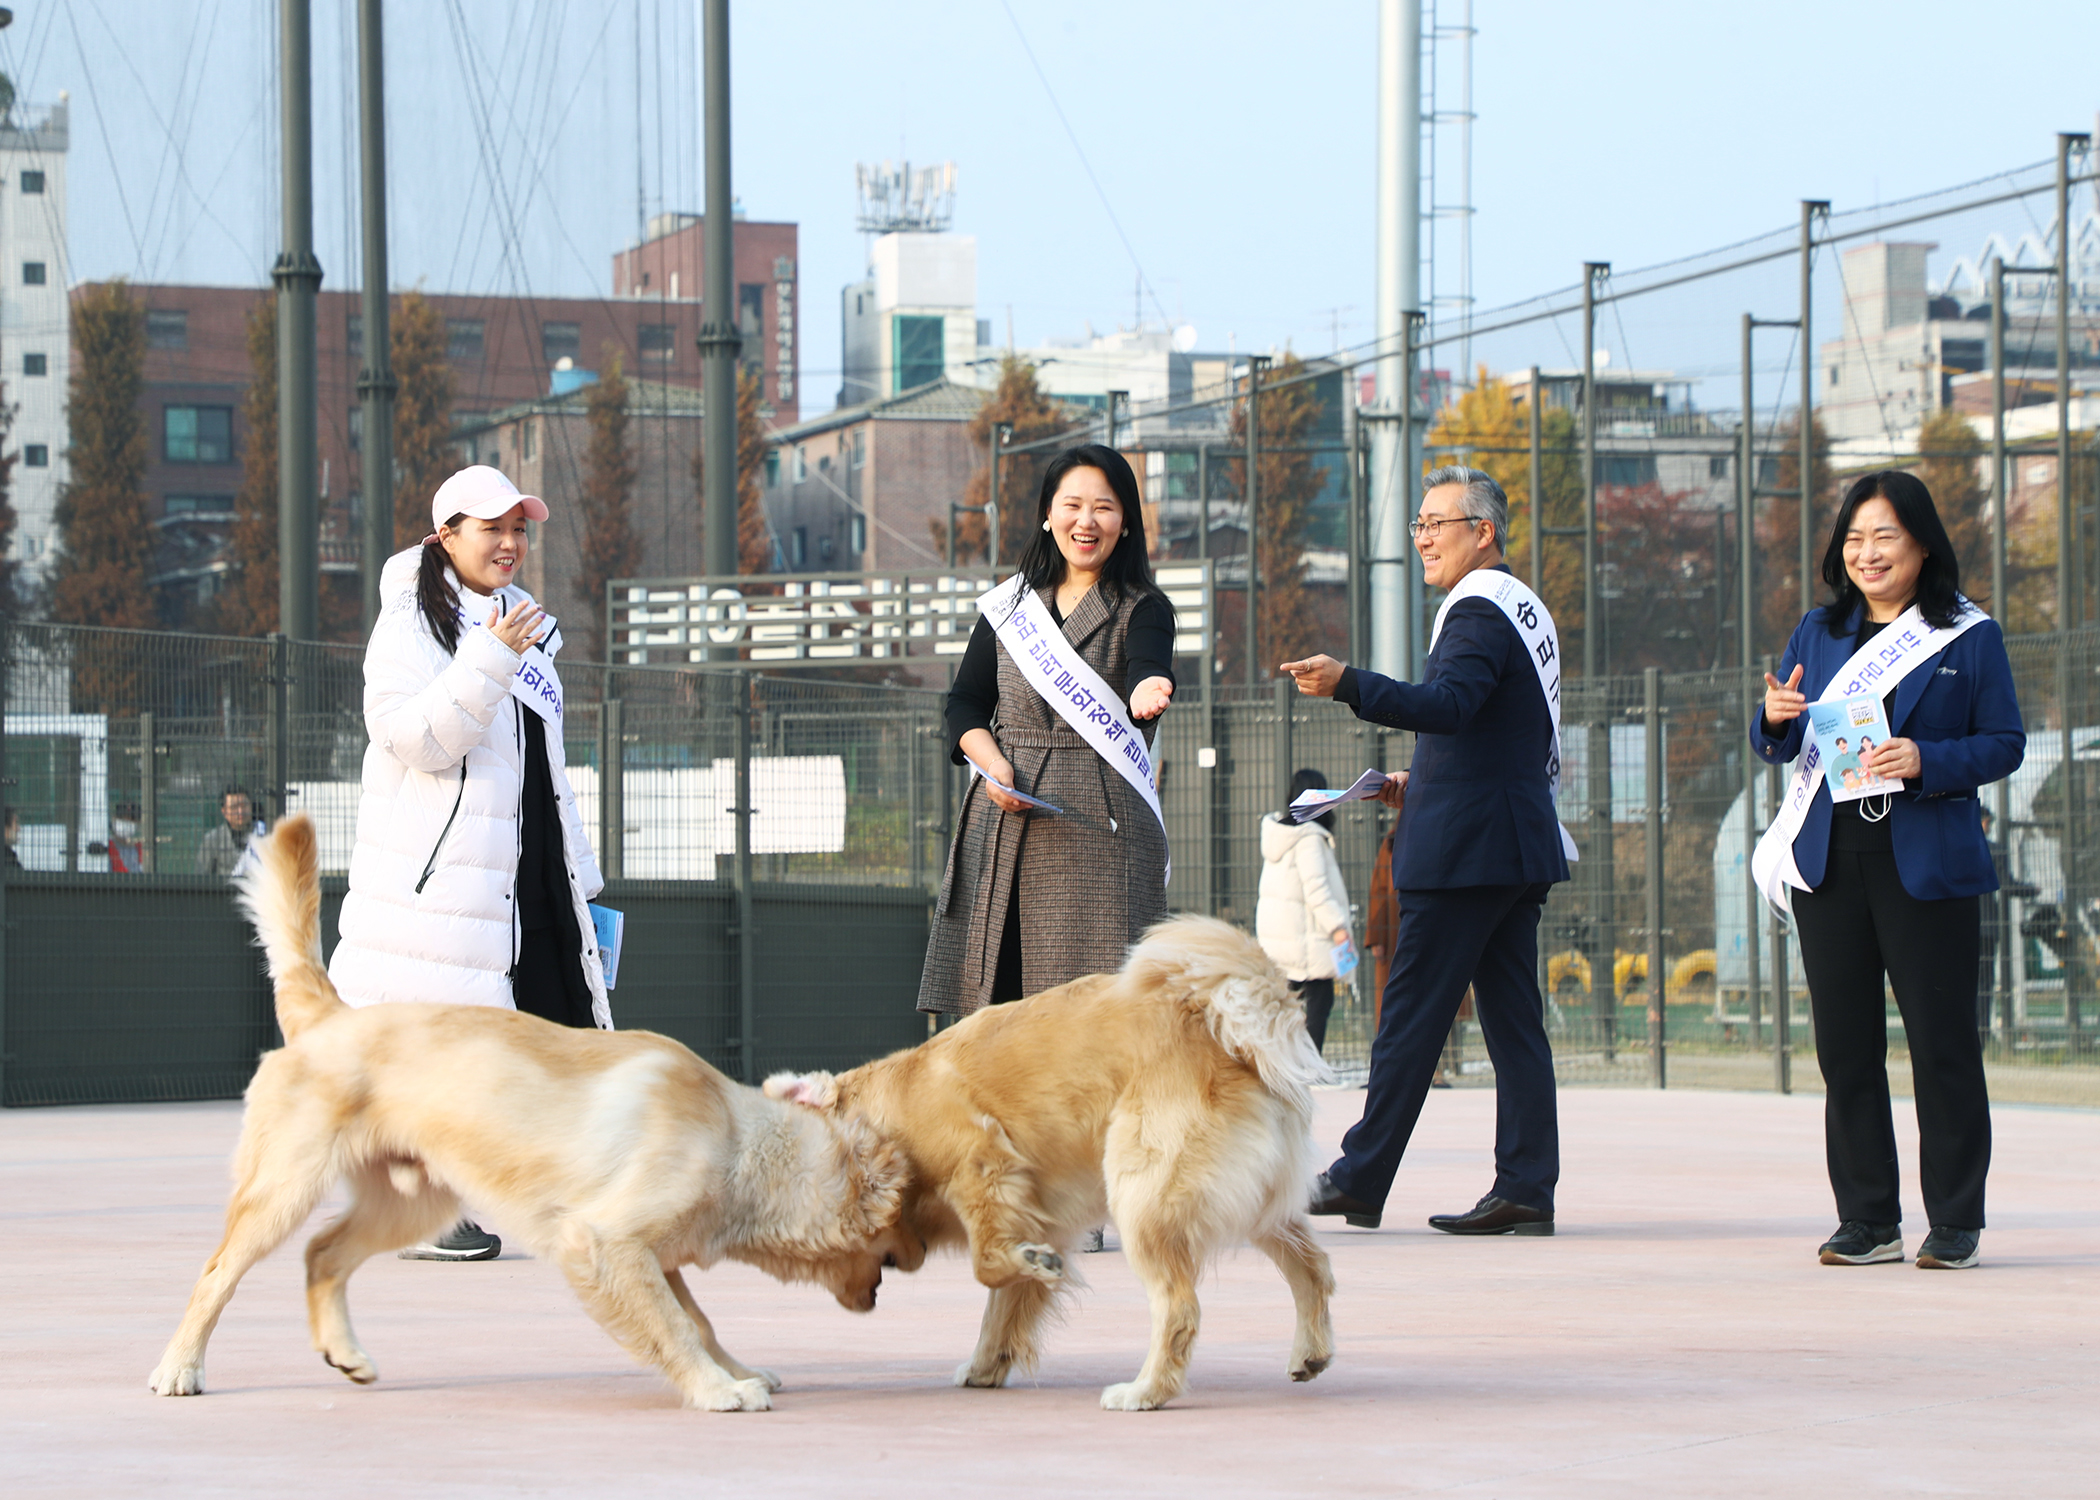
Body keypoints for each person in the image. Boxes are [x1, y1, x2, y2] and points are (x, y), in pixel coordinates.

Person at [330, 464, 612, 1262]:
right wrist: (488, 656)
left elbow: (544, 769)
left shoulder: (518, 625)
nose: (512, 544)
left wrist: (580, 878)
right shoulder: (411, 625)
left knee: (558, 1033)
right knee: (442, 1052)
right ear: (445, 535)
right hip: (441, 883)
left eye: (520, 530)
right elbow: (417, 739)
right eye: (494, 529)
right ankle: (423, 1204)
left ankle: (574, 1194)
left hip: (522, 869)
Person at [1283, 466, 1570, 1236]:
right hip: (1510, 840)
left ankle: (1360, 1174)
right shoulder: (1520, 607)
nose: (1423, 539)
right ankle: (1526, 1186)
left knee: (1410, 1013)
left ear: (1484, 531)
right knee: (1514, 1020)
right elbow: (1495, 731)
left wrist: (1350, 682)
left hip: (1468, 852)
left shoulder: (1477, 608)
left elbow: (1448, 706)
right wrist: (1423, 779)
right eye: (1417, 525)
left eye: (1437, 524)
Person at [1752, 470, 2023, 1271]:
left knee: (1942, 1046)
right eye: (1855, 539)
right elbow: (1781, 741)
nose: (1867, 554)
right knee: (1845, 1049)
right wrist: (1769, 722)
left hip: (1927, 863)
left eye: (1886, 538)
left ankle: (1955, 1221)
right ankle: (1868, 1218)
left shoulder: (1968, 636)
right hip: (1832, 859)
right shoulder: (1818, 630)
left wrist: (1925, 758)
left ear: (1922, 545)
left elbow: (2004, 742)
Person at [918, 443, 1175, 1018]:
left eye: (1104, 508)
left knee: (1093, 1020)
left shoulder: (1142, 608)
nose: (1087, 522)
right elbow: (964, 705)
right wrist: (992, 764)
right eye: (1073, 505)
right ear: (1048, 513)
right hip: (1004, 821)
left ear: (1126, 521)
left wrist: (1148, 687)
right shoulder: (1011, 607)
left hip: (1096, 829)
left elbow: (1148, 664)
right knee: (995, 1012)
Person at [1257, 768, 1355, 1054]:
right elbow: (1317, 890)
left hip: (1281, 945)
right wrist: (1338, 930)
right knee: (1318, 1006)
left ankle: (1290, 1073)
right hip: (1308, 944)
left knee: (1286, 1015)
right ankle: (1308, 1073)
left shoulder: (1279, 834)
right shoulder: (1309, 837)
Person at [196, 788, 264, 878]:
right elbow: (202, 875)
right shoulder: (212, 839)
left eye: (244, 805)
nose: (240, 811)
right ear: (224, 812)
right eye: (234, 807)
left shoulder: (263, 834)